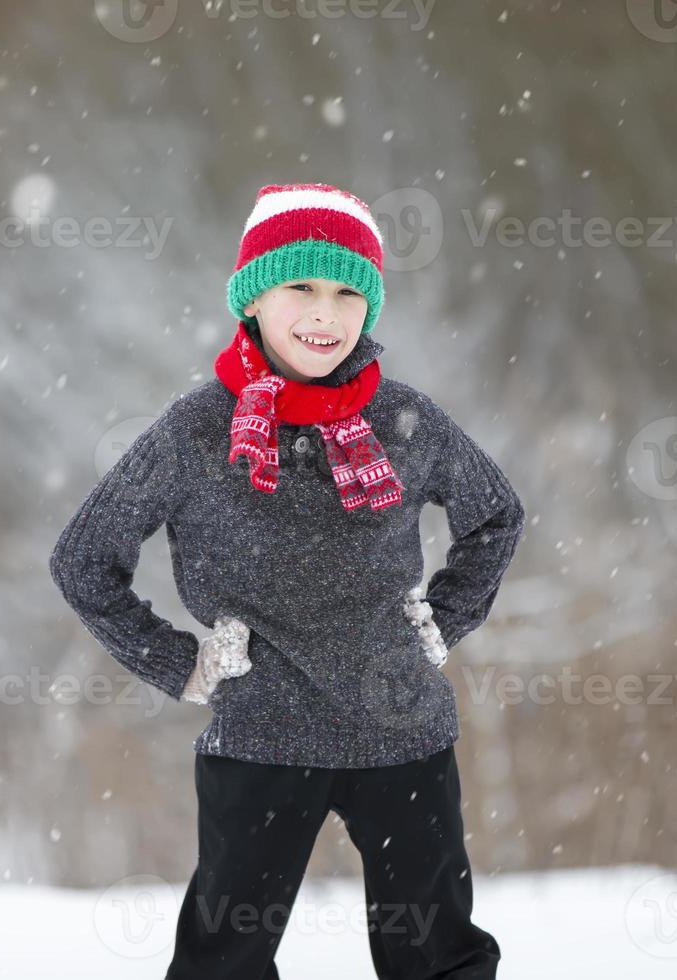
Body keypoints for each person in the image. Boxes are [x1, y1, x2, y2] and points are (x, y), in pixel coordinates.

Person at [48, 181, 526, 979]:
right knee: (223, 963)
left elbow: (495, 517)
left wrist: (442, 620)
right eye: (300, 285)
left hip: (399, 728)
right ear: (252, 298)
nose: (324, 313)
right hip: (261, 737)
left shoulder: (406, 421)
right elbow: (82, 561)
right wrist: (181, 662)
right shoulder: (195, 432)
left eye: (347, 292)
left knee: (439, 959)